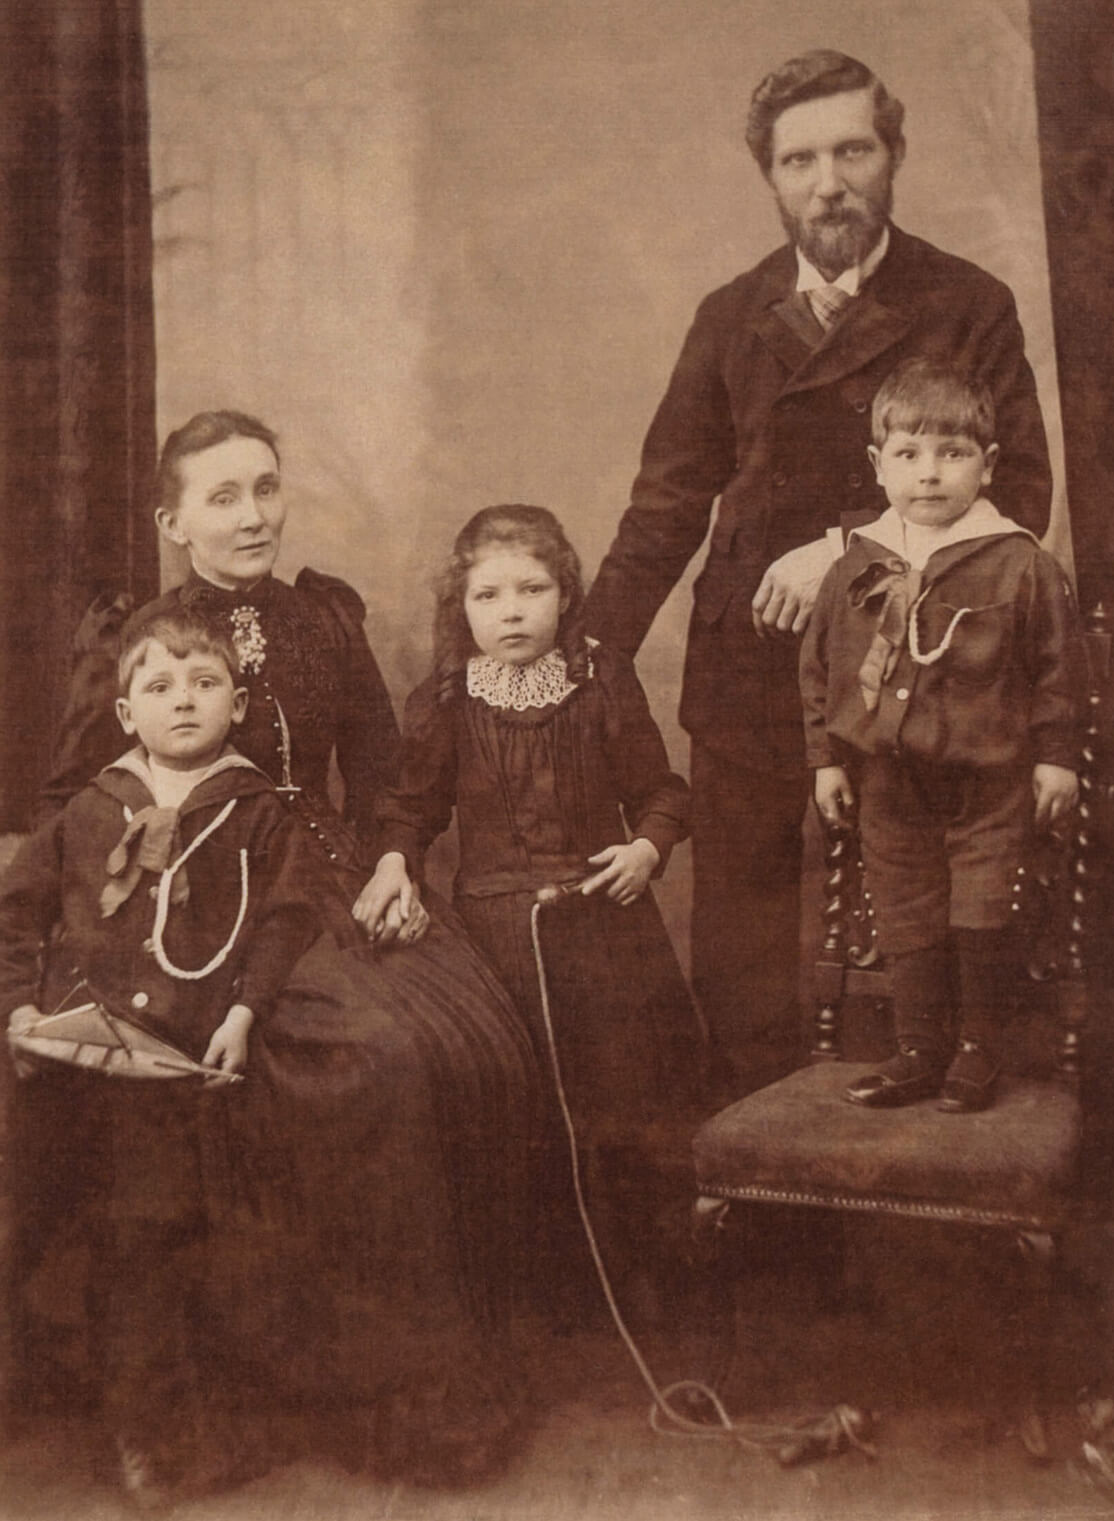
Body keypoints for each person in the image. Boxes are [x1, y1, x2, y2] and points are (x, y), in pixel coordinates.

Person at [26, 411, 538, 1486]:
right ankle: (301, 1382)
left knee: (464, 1031)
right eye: (222, 497)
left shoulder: (322, 618)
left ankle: (424, 1378)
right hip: (213, 903)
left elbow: (390, 772)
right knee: (365, 1064)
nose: (252, 515)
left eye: (264, 487)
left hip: (340, 880)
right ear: (174, 520)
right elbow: (76, 800)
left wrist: (398, 860)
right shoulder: (147, 639)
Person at [583, 48, 1054, 1097]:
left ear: (893, 156)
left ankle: (924, 1180)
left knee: (937, 913)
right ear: (770, 176)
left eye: (852, 150)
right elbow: (666, 504)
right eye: (800, 160)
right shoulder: (730, 313)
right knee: (743, 945)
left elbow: (1021, 498)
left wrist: (849, 549)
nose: (827, 182)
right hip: (747, 661)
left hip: (923, 677)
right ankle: (755, 1190)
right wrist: (588, 648)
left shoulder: (967, 303)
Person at [2, 609, 324, 1503]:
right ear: (125, 715)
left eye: (204, 683)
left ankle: (144, 1435)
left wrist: (245, 1012)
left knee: (144, 1236)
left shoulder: (259, 812)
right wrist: (19, 1006)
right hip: (58, 1055)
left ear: (239, 701)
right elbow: (17, 913)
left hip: (168, 1065)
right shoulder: (87, 811)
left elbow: (290, 920)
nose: (183, 700)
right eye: (159, 686)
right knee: (18, 1203)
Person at [356, 505, 708, 1319]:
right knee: (519, 1107)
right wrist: (393, 862)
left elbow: (663, 794)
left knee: (621, 1100)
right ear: (461, 607)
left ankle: (639, 1277)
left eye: (531, 588)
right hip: (496, 945)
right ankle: (544, 1290)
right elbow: (410, 810)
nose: (510, 610)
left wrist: (646, 849)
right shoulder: (446, 699)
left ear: (567, 594)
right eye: (487, 595)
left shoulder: (601, 684)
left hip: (607, 937)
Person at [800, 358, 1084, 1112]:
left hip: (990, 780)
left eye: (952, 453)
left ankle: (978, 1049)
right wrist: (827, 760)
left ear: (987, 465)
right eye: (909, 453)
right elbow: (822, 666)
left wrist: (1056, 757)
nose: (930, 474)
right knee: (907, 909)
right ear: (878, 463)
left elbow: (1058, 669)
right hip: (889, 781)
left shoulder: (1020, 562)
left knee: (982, 907)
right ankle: (920, 1047)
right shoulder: (857, 563)